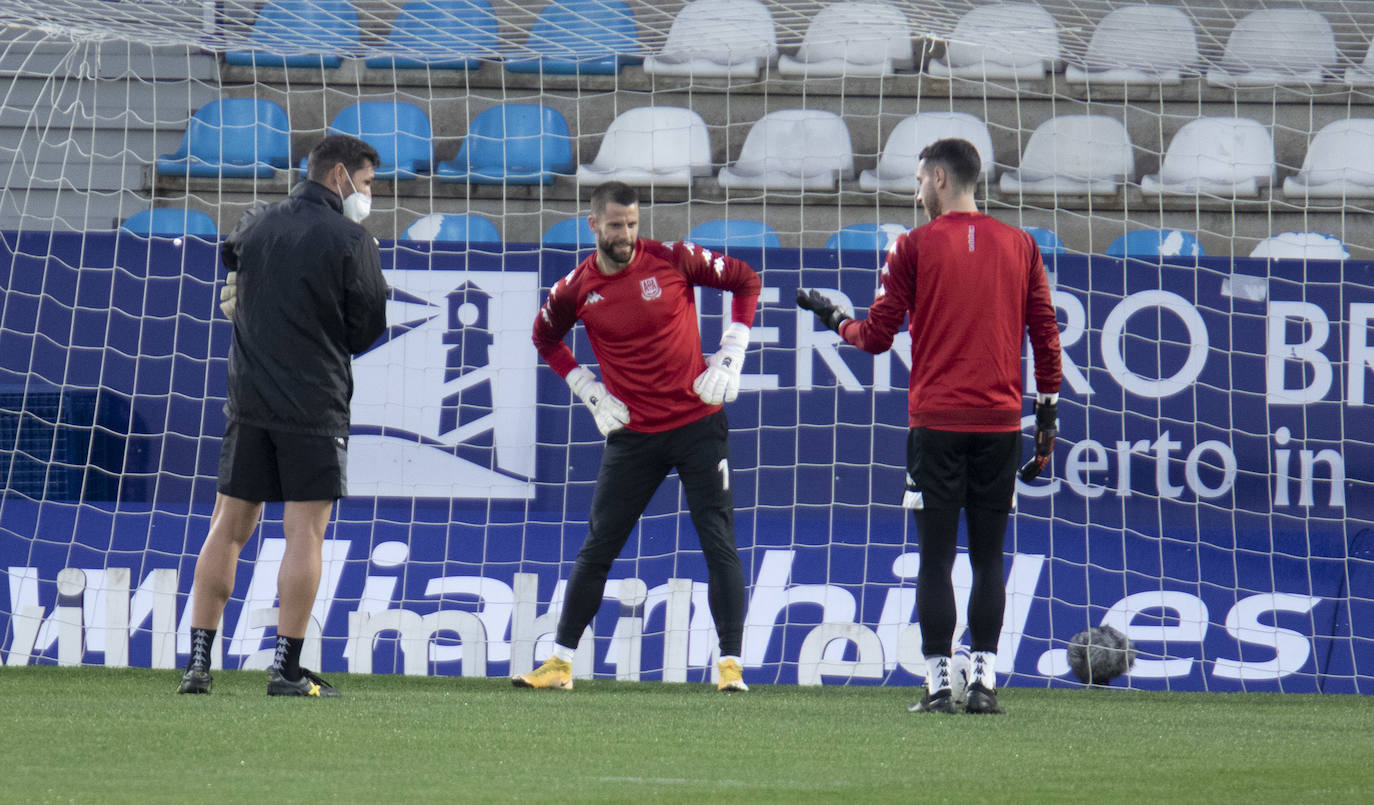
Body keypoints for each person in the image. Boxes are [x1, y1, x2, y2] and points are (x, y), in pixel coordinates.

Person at [797, 138, 1061, 715]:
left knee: (936, 558)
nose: (917, 193)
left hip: (936, 423)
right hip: (997, 424)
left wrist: (834, 318)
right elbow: (1045, 333)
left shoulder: (911, 247)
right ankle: (986, 684)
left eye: (919, 181)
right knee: (990, 556)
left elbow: (874, 338)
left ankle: (939, 685)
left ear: (940, 177)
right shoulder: (1021, 246)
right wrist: (1046, 416)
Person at [517, 180, 761, 692]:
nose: (626, 234)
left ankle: (731, 668)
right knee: (598, 546)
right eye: (615, 225)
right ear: (593, 226)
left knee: (718, 541)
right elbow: (544, 337)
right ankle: (560, 665)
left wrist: (731, 354)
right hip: (634, 435)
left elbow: (746, 281)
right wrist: (590, 391)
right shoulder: (575, 289)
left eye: (631, 224)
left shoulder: (673, 259)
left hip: (698, 424)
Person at [177, 134, 388, 698]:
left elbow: (232, 264)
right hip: (314, 405)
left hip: (248, 401)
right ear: (341, 177)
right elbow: (368, 328)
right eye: (367, 184)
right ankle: (286, 670)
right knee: (304, 535)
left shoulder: (256, 222)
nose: (369, 196)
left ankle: (198, 665)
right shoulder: (351, 238)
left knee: (228, 528)